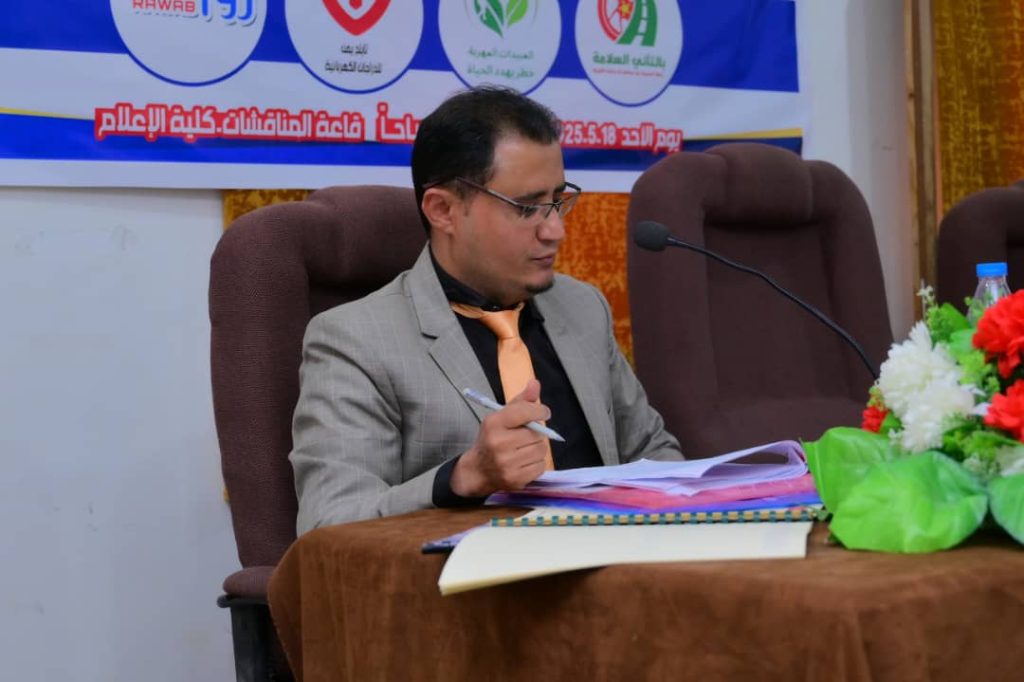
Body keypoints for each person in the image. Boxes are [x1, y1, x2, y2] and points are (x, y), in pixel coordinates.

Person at [290, 86, 682, 533]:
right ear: (443, 210)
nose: (555, 231)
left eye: (558, 201)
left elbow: (654, 452)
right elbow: (328, 524)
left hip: (619, 562)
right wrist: (461, 477)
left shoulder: (583, 307)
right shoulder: (355, 340)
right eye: (528, 208)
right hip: (464, 574)